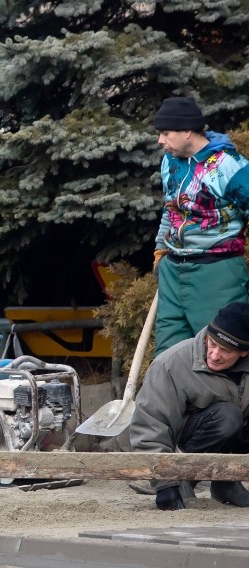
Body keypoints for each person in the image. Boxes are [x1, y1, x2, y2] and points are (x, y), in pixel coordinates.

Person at [151, 96, 249, 357]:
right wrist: (161, 250)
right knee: (168, 354)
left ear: (187, 131)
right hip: (173, 269)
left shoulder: (229, 166)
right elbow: (170, 209)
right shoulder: (170, 163)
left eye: (165, 133)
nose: (160, 140)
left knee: (220, 351)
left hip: (217, 271)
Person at [130, 302, 249, 511]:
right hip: (181, 444)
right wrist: (165, 482)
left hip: (231, 436)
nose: (214, 355)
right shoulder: (171, 364)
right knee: (227, 417)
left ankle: (226, 482)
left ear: (244, 352)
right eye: (212, 344)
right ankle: (184, 480)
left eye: (226, 350)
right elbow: (150, 424)